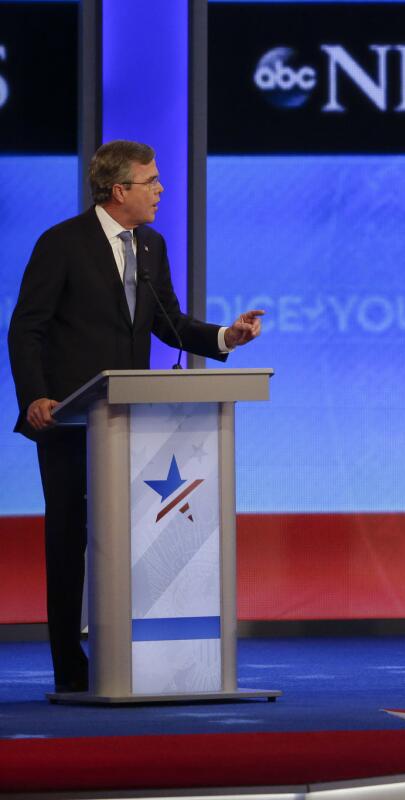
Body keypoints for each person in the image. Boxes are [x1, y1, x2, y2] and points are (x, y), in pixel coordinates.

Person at [7, 140, 265, 694]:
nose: (160, 190)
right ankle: (69, 665)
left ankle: (139, 658)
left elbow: (167, 320)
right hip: (70, 422)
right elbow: (26, 327)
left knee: (134, 538)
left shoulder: (151, 245)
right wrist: (36, 397)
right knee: (69, 539)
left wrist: (225, 336)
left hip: (132, 424)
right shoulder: (62, 243)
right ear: (118, 190)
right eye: (150, 181)